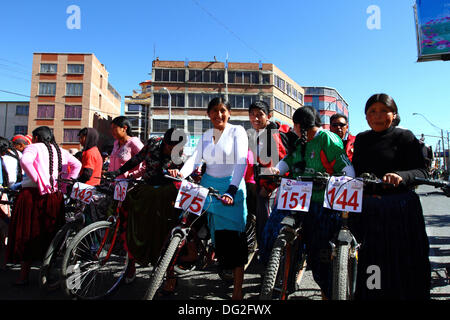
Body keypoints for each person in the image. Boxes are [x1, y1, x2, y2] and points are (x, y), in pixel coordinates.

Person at [261, 106, 355, 299]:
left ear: (299, 125)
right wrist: (277, 170)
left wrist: (341, 182)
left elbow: (346, 168)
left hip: (321, 201)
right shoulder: (299, 140)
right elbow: (289, 159)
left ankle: (328, 290)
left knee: (320, 254)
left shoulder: (327, 139)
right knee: (271, 231)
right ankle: (278, 271)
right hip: (297, 196)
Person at [350, 93, 431, 300]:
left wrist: (401, 176)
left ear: (394, 115)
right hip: (369, 212)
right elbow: (356, 172)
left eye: (384, 111)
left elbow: (422, 173)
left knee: (403, 264)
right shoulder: (361, 139)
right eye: (372, 111)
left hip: (400, 211)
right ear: (366, 117)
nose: (378, 116)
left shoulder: (405, 137)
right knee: (371, 263)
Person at [171, 97, 249, 300]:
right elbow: (194, 160)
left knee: (234, 240)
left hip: (232, 188)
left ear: (229, 113)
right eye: (214, 111)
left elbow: (241, 162)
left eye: (222, 110)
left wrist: (231, 190)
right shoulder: (206, 135)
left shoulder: (237, 131)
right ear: (208, 114)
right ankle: (193, 255)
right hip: (208, 187)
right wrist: (181, 173)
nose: (218, 114)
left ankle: (238, 291)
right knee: (191, 223)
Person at [104, 128, 187, 281]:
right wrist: (119, 171)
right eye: (169, 146)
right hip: (147, 187)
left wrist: (177, 171)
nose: (171, 150)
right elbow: (138, 159)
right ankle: (130, 263)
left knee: (166, 228)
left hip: (165, 191)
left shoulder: (178, 153)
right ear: (164, 141)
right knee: (129, 218)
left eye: (175, 148)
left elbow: (181, 171)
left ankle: (168, 272)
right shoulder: (154, 142)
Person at [6, 126, 81, 285]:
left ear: (36, 137)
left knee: (27, 234)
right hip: (54, 197)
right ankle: (48, 274)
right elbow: (77, 165)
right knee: (50, 234)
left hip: (31, 196)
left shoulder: (32, 147)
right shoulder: (60, 150)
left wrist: (38, 180)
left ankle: (23, 277)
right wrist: (64, 184)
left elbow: (25, 161)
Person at [247, 100, 298, 251]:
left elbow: (278, 168)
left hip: (271, 188)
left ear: (268, 116)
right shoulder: (260, 134)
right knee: (264, 223)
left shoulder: (272, 135)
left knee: (269, 225)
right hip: (263, 184)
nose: (255, 118)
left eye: (259, 115)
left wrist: (267, 188)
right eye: (252, 115)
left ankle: (269, 263)